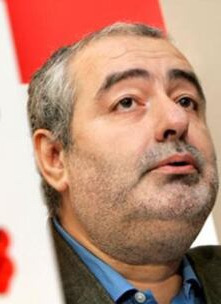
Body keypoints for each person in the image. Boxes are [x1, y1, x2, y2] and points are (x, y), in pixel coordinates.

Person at [27, 22, 221, 304]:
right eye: (128, 102)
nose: (177, 119)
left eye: (185, 100)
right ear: (55, 157)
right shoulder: (3, 291)